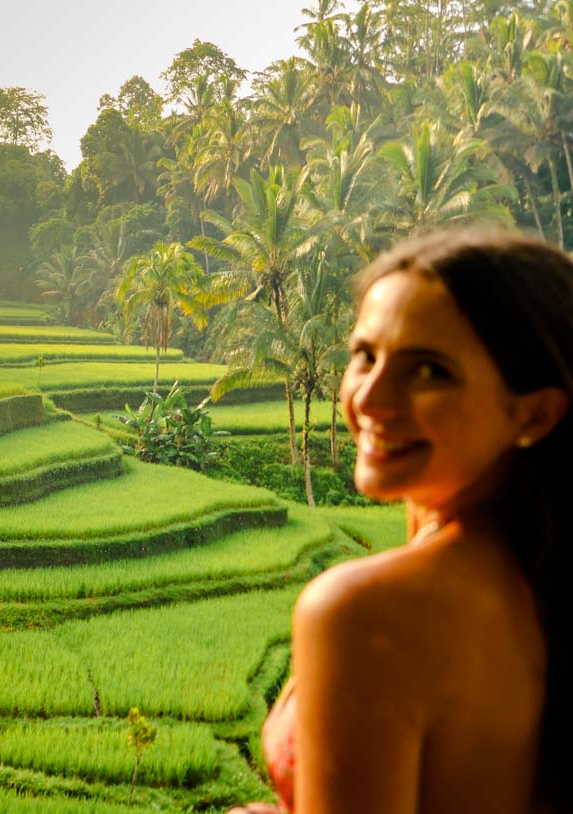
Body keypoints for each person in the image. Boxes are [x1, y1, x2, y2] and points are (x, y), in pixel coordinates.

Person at [231, 227, 573, 814]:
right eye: (365, 356)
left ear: (534, 414)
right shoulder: (541, 578)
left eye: (429, 371)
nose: (369, 399)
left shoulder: (363, 614)